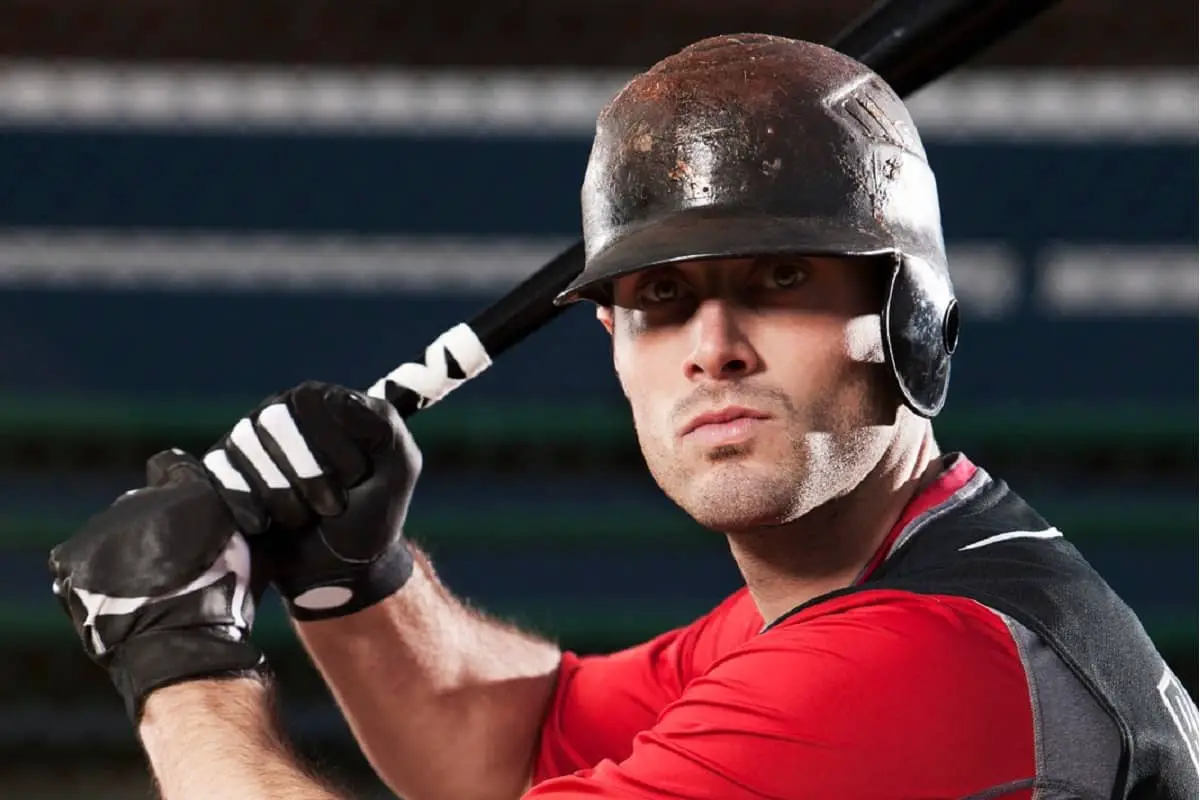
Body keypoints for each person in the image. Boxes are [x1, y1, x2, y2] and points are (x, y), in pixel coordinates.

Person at [48, 34, 1198, 800]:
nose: (713, 347)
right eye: (660, 298)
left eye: (780, 281)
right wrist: (356, 577)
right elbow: (511, 739)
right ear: (615, 347)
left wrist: (180, 659)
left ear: (913, 322)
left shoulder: (919, 659)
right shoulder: (864, 587)